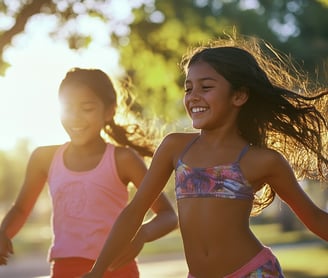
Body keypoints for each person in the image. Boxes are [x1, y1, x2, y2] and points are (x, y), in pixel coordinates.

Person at [82, 35, 328, 278]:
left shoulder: (263, 161)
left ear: (239, 96)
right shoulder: (174, 147)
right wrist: (97, 271)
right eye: (188, 88)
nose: (193, 96)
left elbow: (315, 218)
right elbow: (135, 210)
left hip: (254, 273)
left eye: (206, 87)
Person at [0, 68, 178, 277]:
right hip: (64, 270)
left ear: (109, 111)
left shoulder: (123, 159)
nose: (75, 118)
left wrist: (142, 235)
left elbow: (168, 215)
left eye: (86, 108)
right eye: (67, 108)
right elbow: (21, 209)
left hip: (116, 269)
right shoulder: (44, 158)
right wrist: (4, 233)